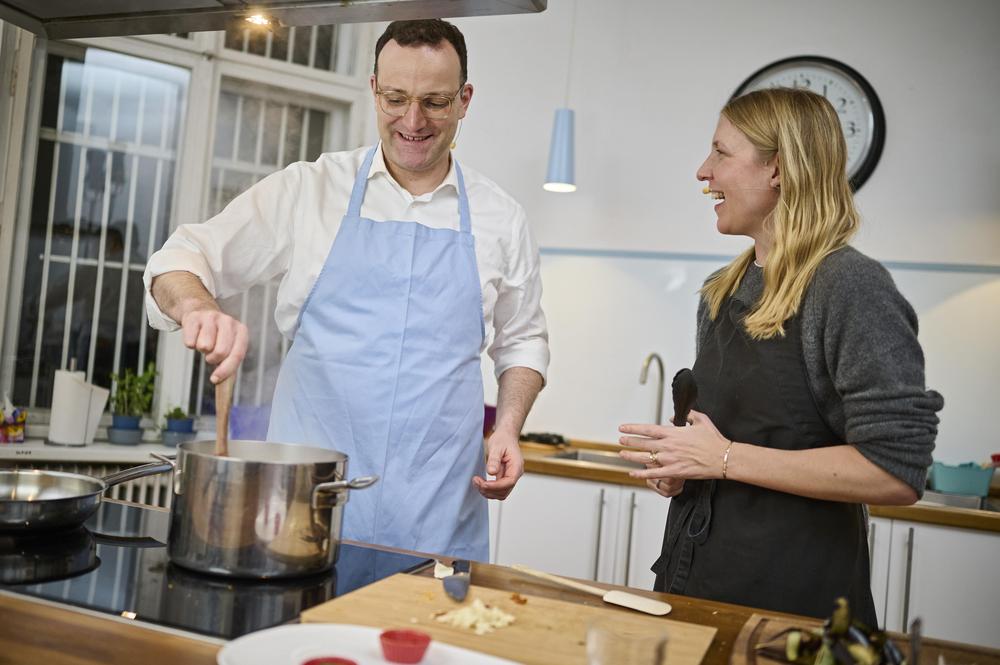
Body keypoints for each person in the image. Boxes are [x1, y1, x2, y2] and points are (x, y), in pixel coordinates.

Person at [143, 19, 549, 561]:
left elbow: (523, 342)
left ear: (464, 99)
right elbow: (180, 257)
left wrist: (509, 428)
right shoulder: (311, 190)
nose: (412, 120)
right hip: (304, 510)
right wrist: (197, 306)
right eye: (397, 98)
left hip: (438, 513)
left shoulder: (502, 217)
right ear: (374, 90)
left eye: (434, 101)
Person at [617, 88, 943, 626]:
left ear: (779, 168)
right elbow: (732, 439)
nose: (703, 171)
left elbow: (897, 469)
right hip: (696, 582)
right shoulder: (723, 290)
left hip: (795, 608)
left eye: (721, 153)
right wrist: (681, 466)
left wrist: (721, 459)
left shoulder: (849, 288)